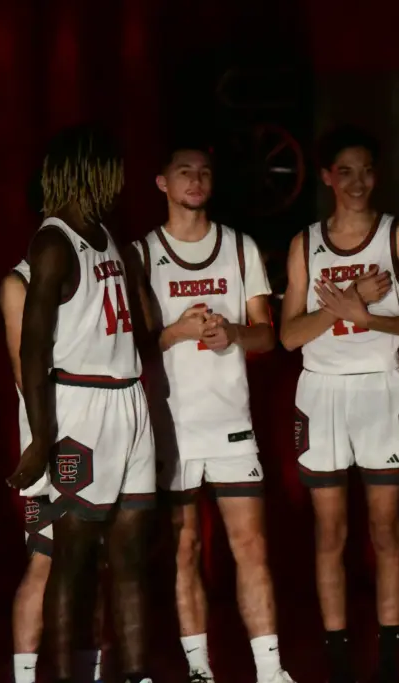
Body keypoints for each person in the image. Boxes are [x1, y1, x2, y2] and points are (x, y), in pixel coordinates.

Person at [280, 125, 399, 683]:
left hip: (378, 387)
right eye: (344, 171)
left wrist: (368, 317)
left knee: (386, 528)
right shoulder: (305, 244)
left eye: (366, 170)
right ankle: (338, 656)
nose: (357, 182)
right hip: (322, 390)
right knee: (330, 532)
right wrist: (344, 307)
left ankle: (390, 657)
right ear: (326, 176)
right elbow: (288, 336)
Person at [130, 142, 292, 683]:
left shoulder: (240, 248)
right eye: (184, 172)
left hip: (231, 424)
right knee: (184, 549)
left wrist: (234, 334)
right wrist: (178, 332)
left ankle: (269, 669)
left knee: (252, 546)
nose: (195, 181)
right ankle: (199, 669)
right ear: (162, 182)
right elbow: (130, 345)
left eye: (203, 172)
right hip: (172, 426)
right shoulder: (142, 253)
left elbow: (267, 334)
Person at [7, 125, 155, 683]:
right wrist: (40, 437)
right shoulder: (52, 242)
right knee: (72, 559)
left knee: (132, 554)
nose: (120, 182)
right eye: (113, 171)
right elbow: (32, 348)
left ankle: (136, 674)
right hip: (81, 405)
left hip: (128, 398)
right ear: (90, 171)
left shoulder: (106, 233)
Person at [1, 173, 108, 683]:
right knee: (46, 561)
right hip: (53, 438)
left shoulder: (90, 262)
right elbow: (25, 369)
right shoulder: (18, 281)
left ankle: (91, 670)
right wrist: (44, 439)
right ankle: (25, 676)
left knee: (93, 566)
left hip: (96, 432)